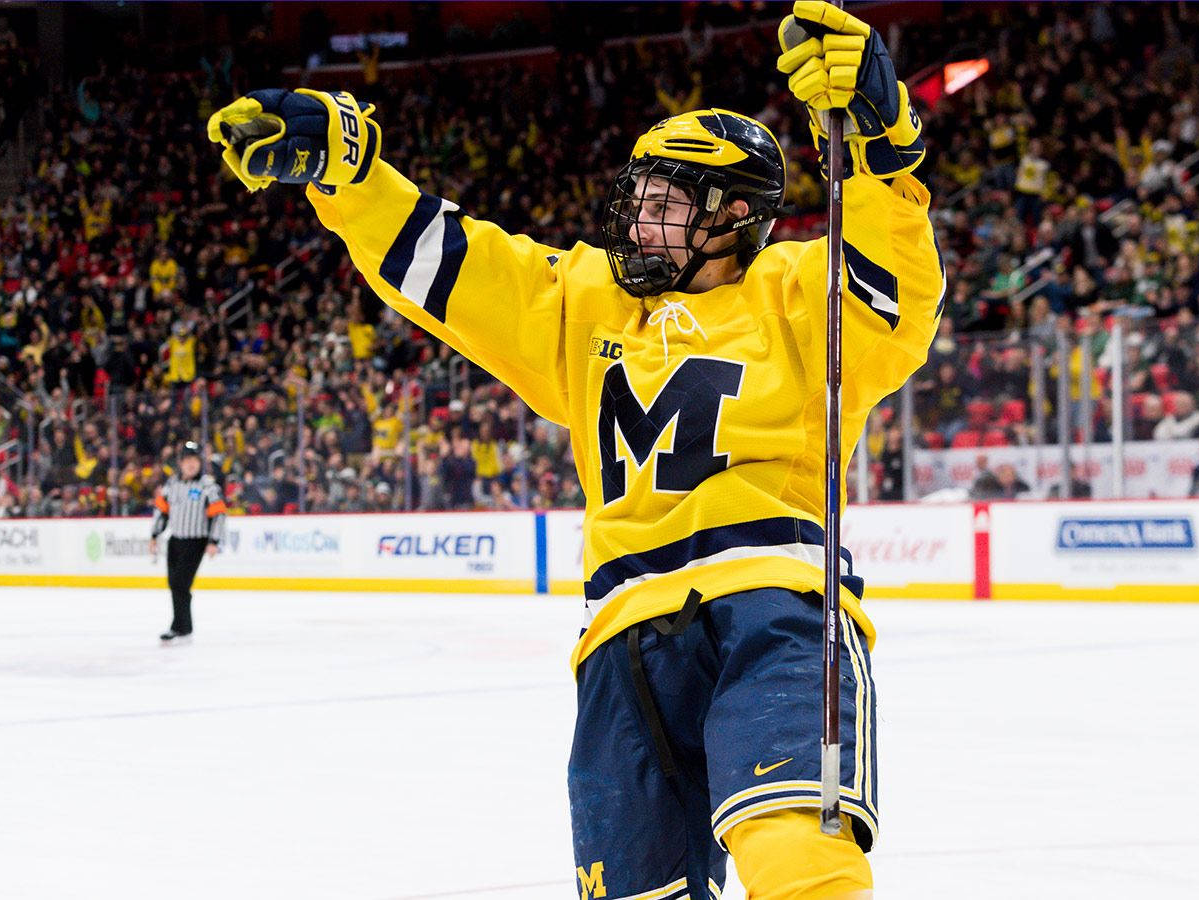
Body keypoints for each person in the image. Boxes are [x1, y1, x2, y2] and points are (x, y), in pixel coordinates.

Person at [207, 4, 939, 897]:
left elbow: (893, 293)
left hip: (773, 611)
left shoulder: (796, 287)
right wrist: (347, 172)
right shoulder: (583, 300)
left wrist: (877, 147)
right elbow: (456, 267)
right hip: (623, 632)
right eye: (636, 200)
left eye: (664, 204)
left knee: (795, 855)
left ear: (734, 218)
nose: (635, 222)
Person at [148, 442, 226, 642]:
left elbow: (218, 515)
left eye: (195, 460)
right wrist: (154, 535)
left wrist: (213, 540)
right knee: (175, 583)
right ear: (180, 463)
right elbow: (161, 511)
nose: (191, 465)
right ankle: (184, 626)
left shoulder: (207, 486)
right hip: (176, 540)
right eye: (187, 460)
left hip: (196, 541)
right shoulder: (172, 484)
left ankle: (178, 626)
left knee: (180, 583)